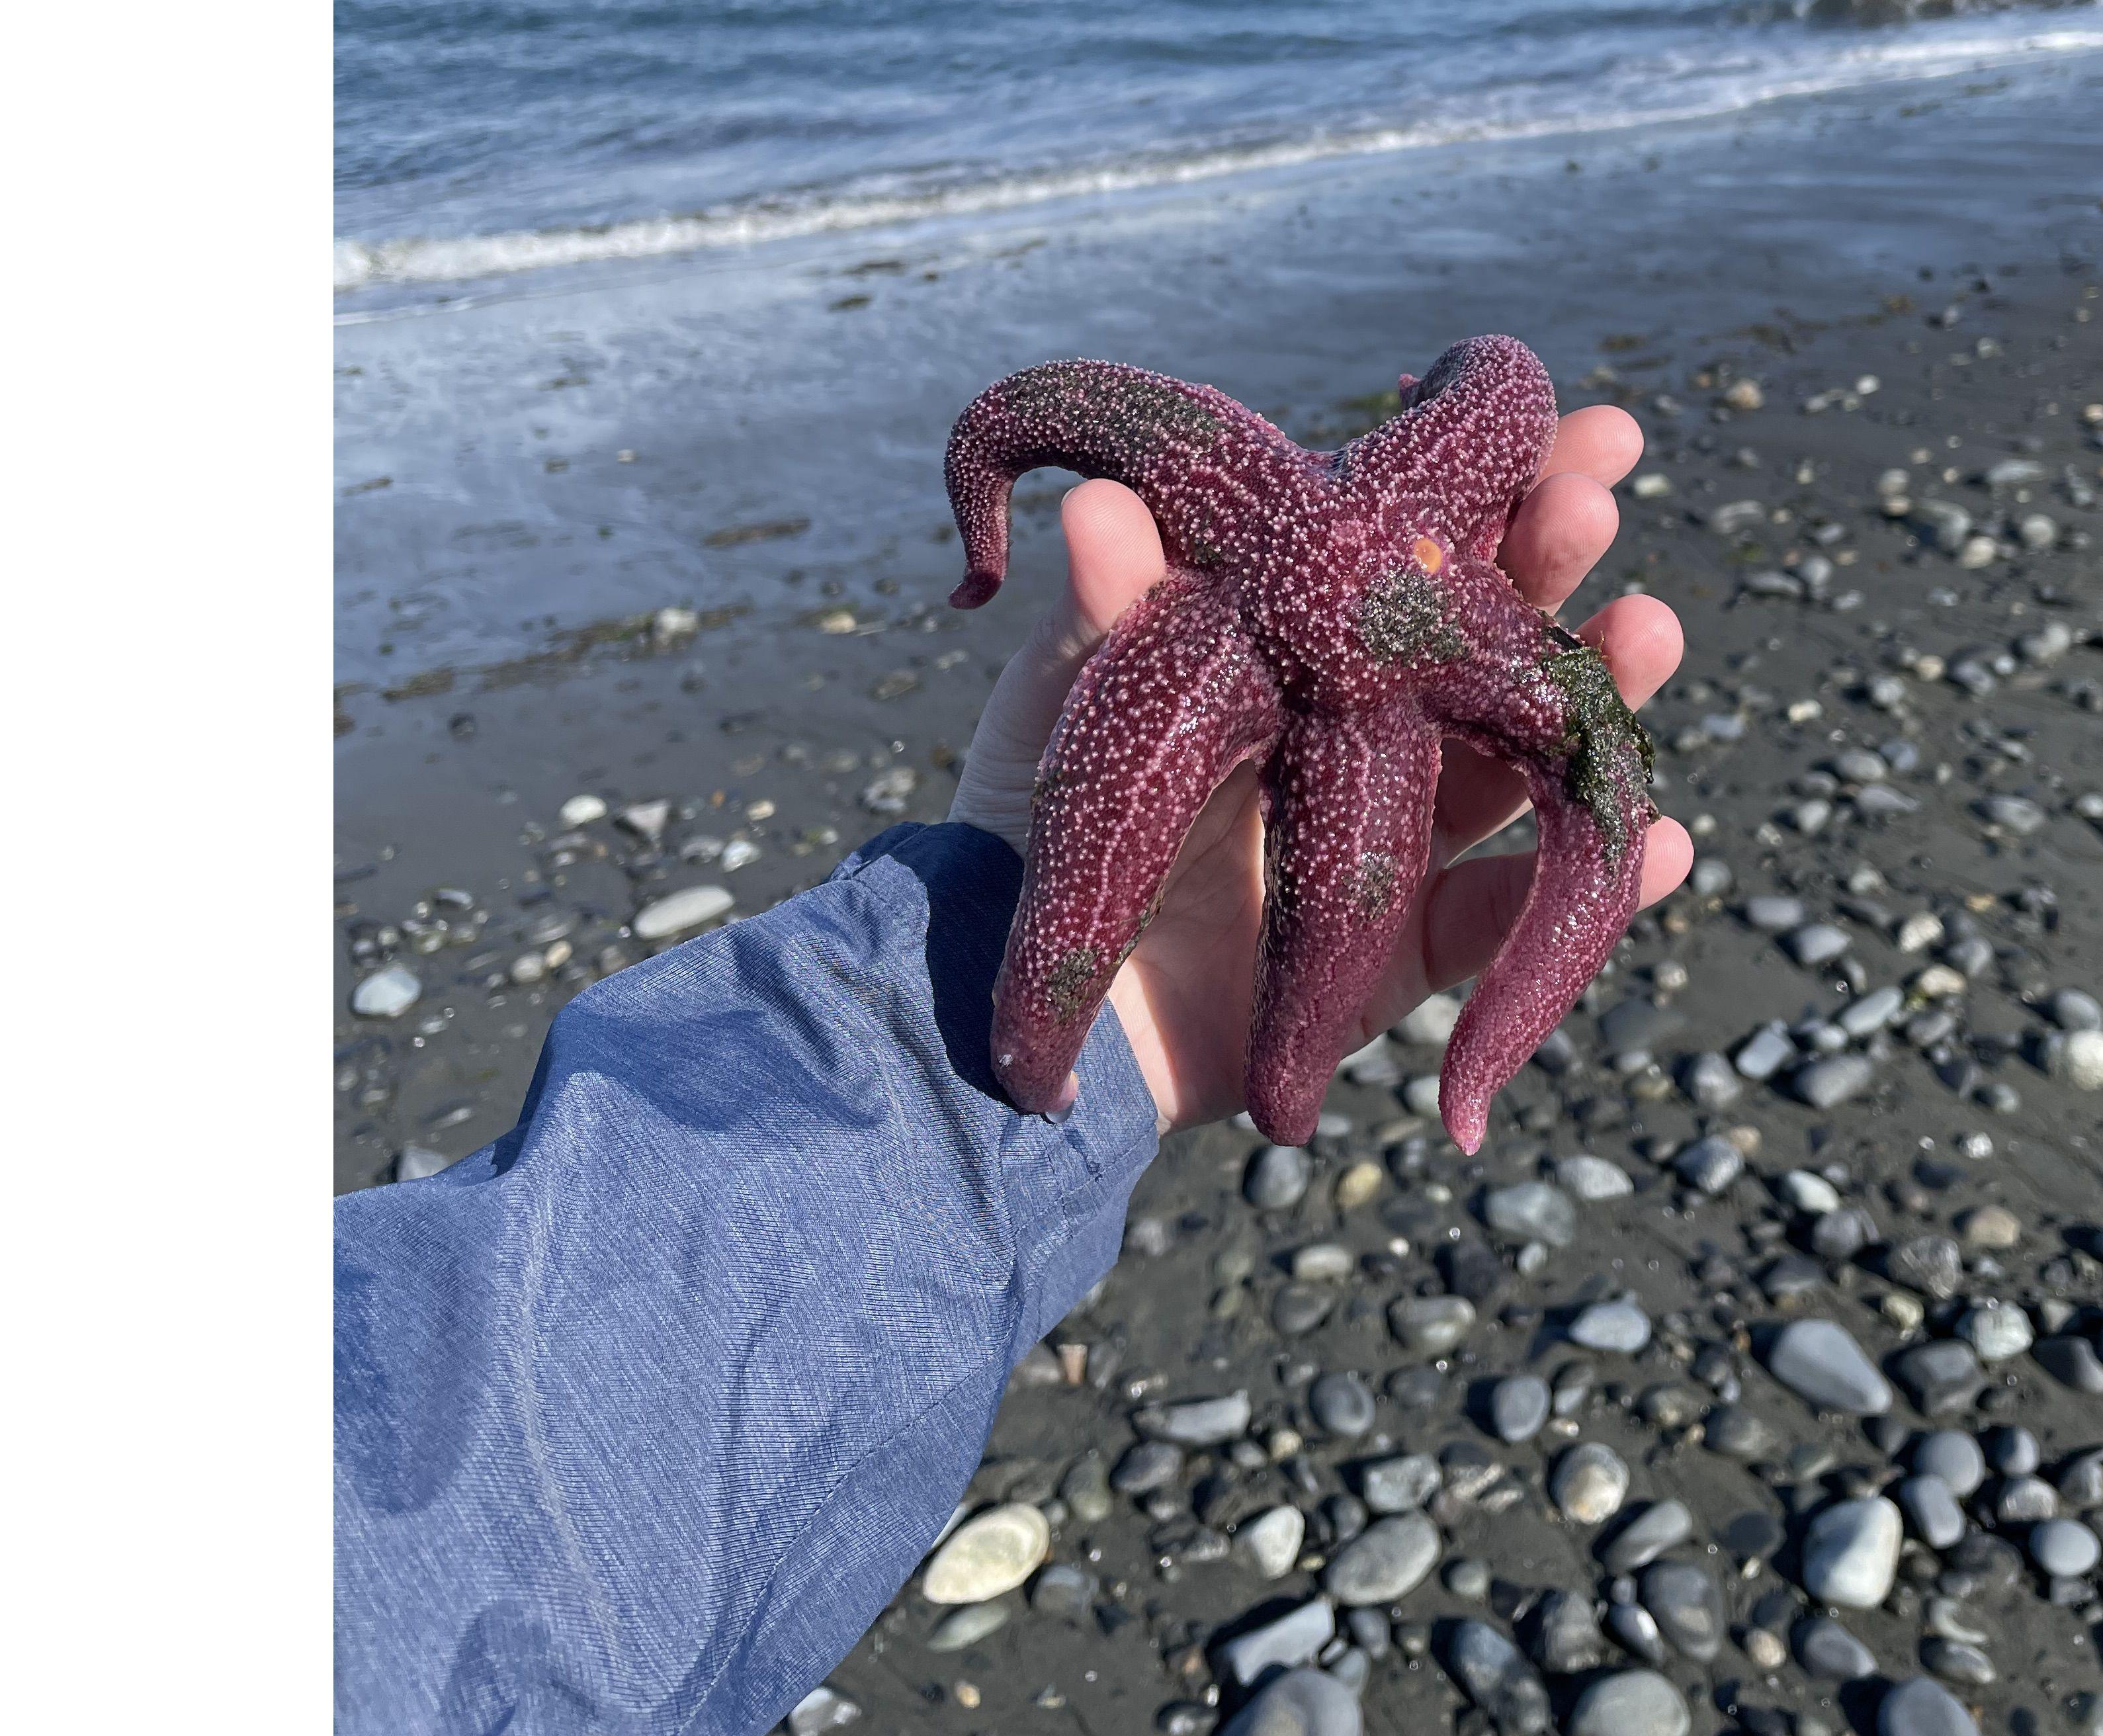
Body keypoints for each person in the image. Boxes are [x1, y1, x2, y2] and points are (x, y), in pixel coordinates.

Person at [334, 406, 1689, 1736]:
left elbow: (1594, 768)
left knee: (1544, 834)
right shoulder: (1325, 547)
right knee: (1338, 970)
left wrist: (975, 1058)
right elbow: (1468, 382)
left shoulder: (1268, 519)